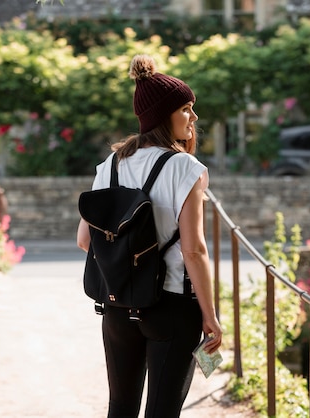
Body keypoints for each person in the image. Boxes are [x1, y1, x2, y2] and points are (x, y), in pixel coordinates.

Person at [76, 54, 223, 418]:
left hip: (116, 305)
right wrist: (211, 314)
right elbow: (194, 250)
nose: (194, 118)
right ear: (164, 115)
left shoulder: (109, 165)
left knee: (121, 408)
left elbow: (84, 240)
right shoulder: (184, 167)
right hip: (172, 306)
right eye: (186, 109)